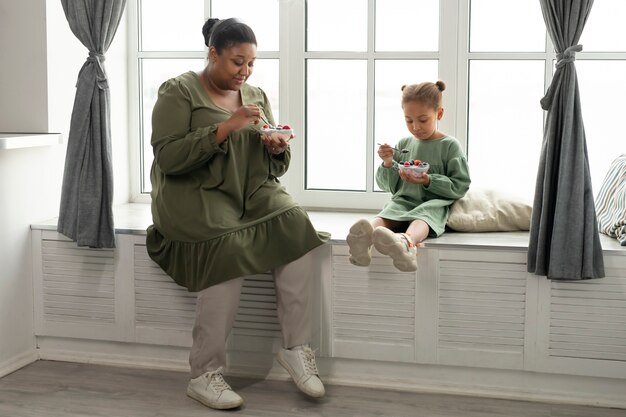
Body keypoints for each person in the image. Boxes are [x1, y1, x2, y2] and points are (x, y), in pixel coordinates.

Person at [146, 17, 329, 410]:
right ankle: (204, 373)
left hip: (250, 189)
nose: (244, 72)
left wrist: (277, 148)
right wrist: (226, 127)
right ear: (213, 53)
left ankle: (296, 349)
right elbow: (168, 157)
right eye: (236, 62)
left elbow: (271, 166)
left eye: (250, 64)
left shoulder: (256, 94)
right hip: (194, 194)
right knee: (225, 250)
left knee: (297, 226)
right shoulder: (178, 91)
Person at [347, 81, 470, 272]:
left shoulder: (450, 146)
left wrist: (429, 180)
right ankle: (365, 239)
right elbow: (388, 186)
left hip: (433, 203)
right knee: (390, 211)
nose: (415, 127)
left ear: (439, 114)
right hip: (404, 199)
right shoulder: (404, 144)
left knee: (424, 216)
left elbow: (460, 185)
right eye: (408, 120)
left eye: (422, 120)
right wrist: (388, 163)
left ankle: (405, 243)